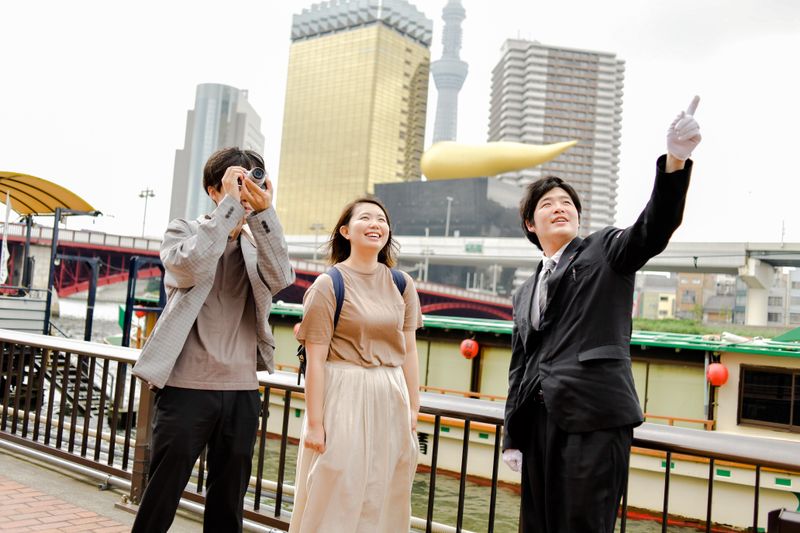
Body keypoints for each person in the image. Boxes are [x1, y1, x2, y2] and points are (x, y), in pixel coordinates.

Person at [502, 97, 702, 532]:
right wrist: (512, 436)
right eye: (547, 204)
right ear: (531, 225)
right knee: (537, 525)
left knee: (584, 526)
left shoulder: (605, 250)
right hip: (539, 424)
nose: (560, 207)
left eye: (566, 202)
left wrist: (675, 161)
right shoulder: (524, 291)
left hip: (594, 419)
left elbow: (653, 228)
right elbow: (521, 367)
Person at [131, 147, 294, 532]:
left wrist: (265, 213)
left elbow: (282, 278)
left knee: (228, 501)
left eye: (251, 181)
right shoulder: (183, 231)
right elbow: (190, 267)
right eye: (236, 181)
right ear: (213, 189)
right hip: (186, 386)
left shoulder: (257, 243)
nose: (244, 190)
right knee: (162, 493)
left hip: (241, 389)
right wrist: (229, 211)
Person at [289, 197, 422, 533]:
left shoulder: (402, 284)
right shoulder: (328, 285)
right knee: (336, 486)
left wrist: (413, 407)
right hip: (343, 393)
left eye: (381, 219)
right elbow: (316, 361)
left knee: (386, 490)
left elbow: (409, 350)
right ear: (345, 231)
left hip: (391, 395)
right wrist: (315, 424)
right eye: (365, 218)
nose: (375, 224)